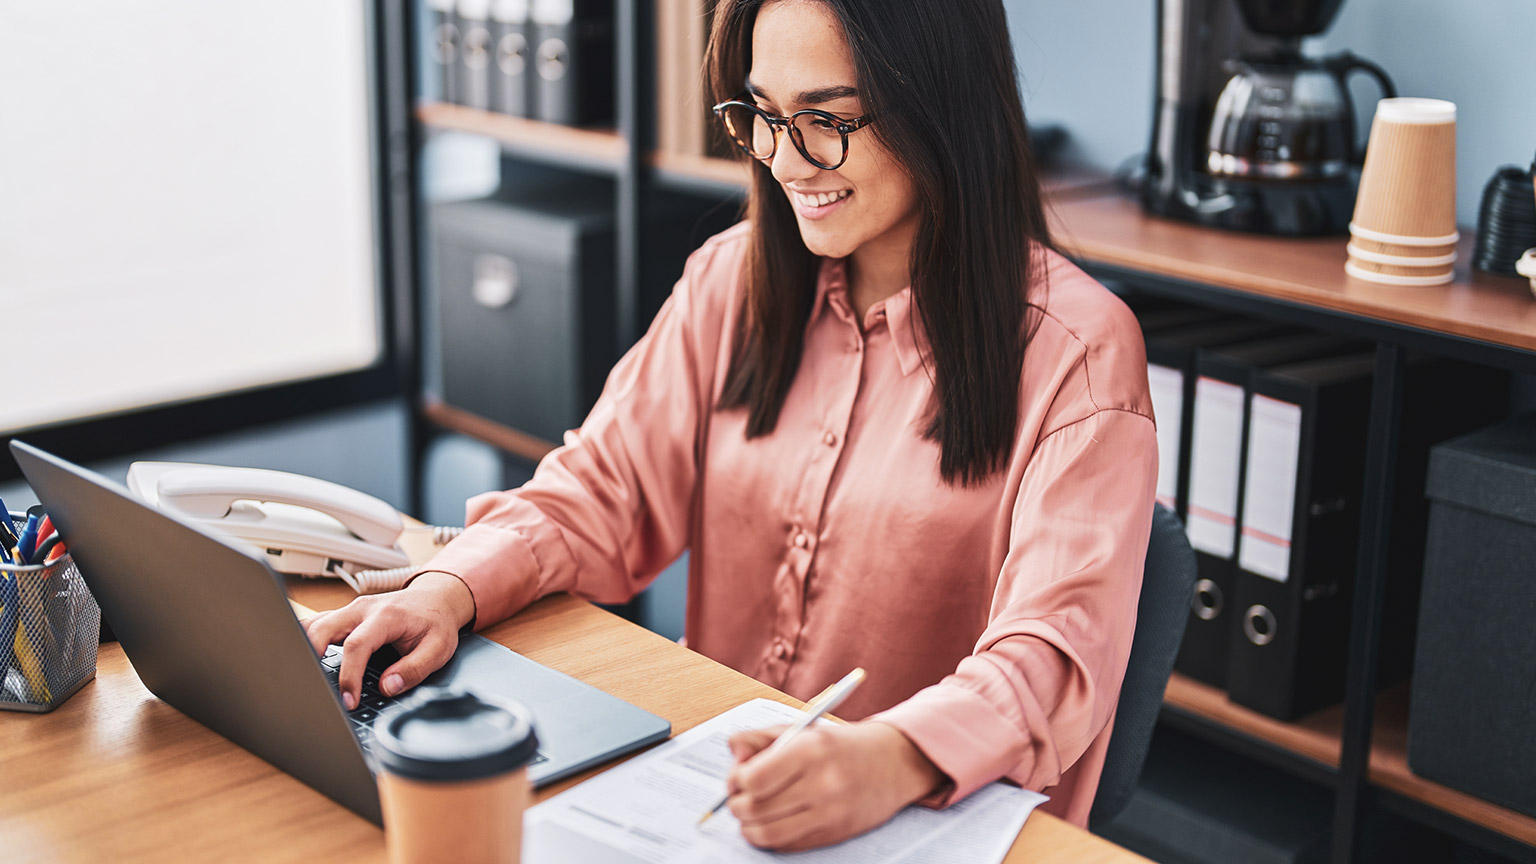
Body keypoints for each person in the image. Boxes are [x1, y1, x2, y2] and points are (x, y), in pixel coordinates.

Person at [304, 0, 1156, 851]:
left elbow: (1055, 653)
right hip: (716, 794)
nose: (787, 161)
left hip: (923, 821)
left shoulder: (1074, 351)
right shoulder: (732, 282)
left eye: (828, 119)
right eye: (763, 115)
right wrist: (447, 590)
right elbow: (601, 490)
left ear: (942, 103)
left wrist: (894, 757)